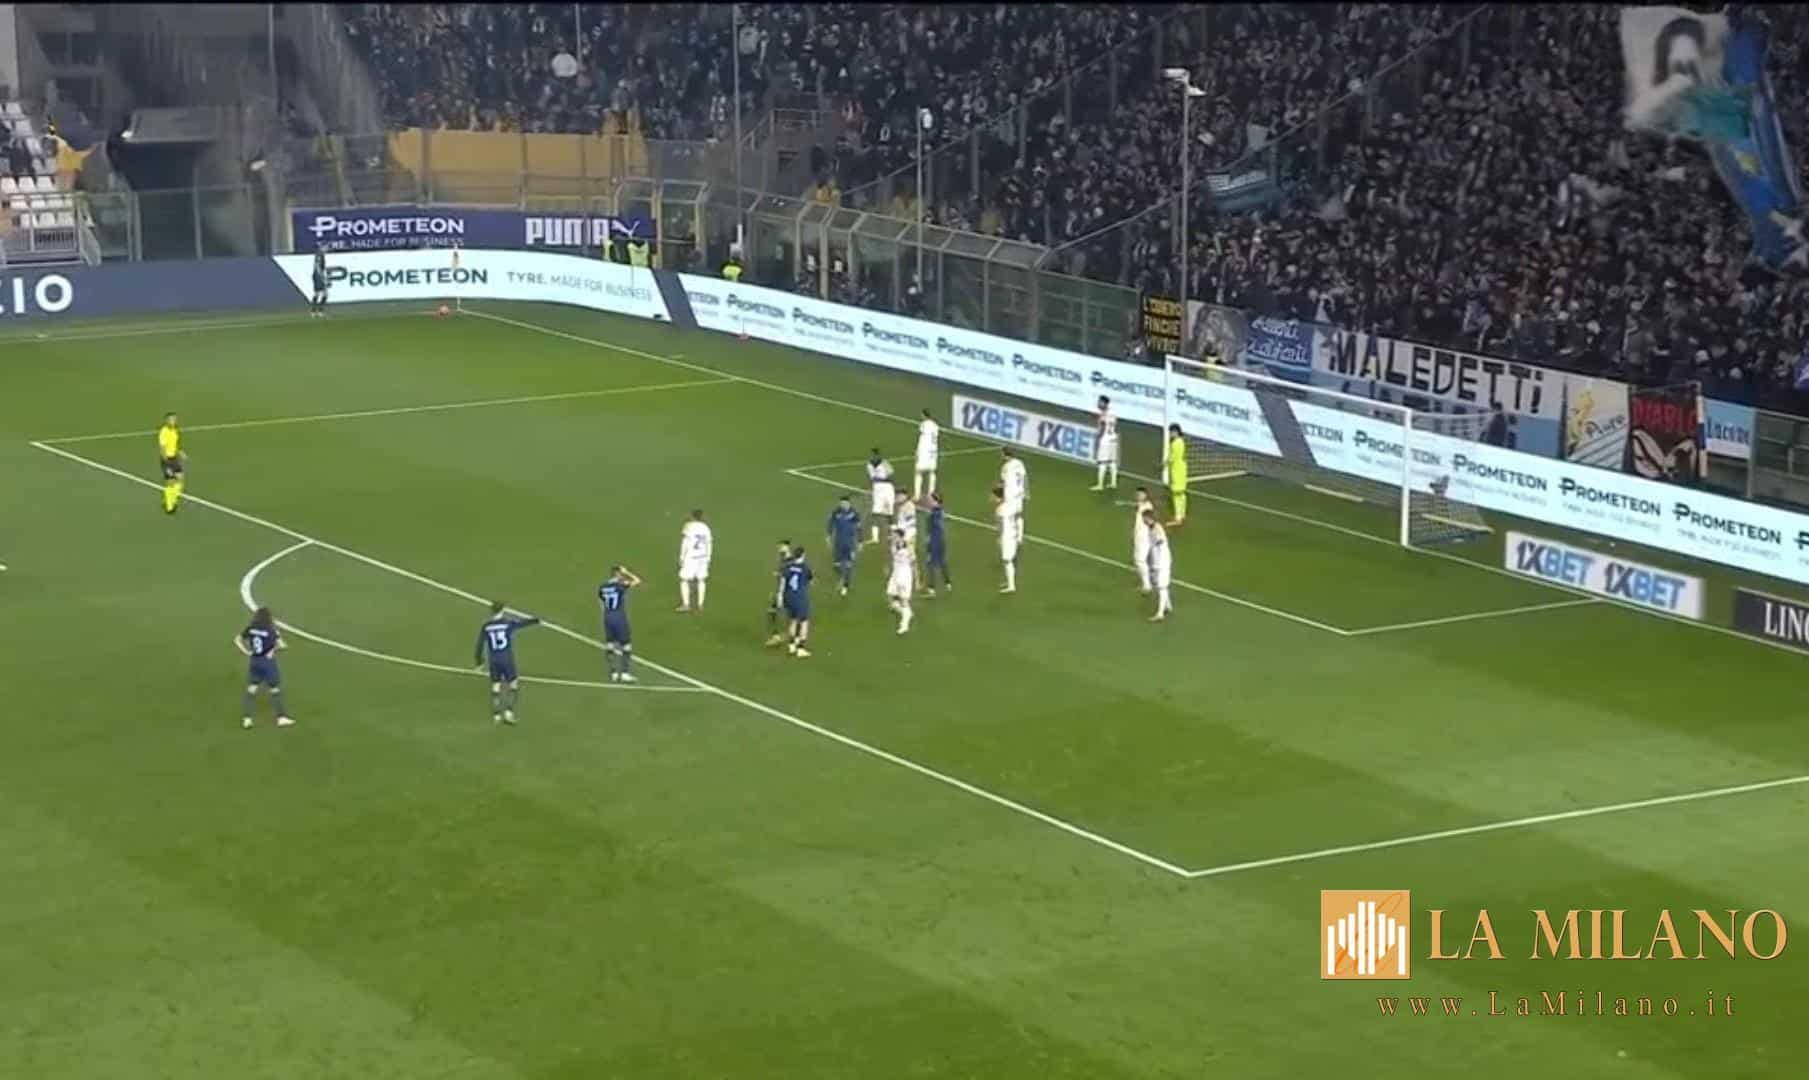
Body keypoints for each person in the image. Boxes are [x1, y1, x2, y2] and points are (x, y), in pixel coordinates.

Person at [473, 601, 541, 725]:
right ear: (503, 610)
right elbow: (521, 624)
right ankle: (509, 713)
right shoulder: (507, 624)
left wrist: (479, 662)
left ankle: (497, 715)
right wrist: (536, 620)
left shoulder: (486, 626)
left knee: (496, 685)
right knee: (513, 683)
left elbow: (479, 645)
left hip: (493, 660)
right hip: (506, 659)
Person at [236, 606, 292, 729]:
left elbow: (237, 639)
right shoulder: (271, 630)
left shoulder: (251, 628)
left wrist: (246, 651)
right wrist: (272, 650)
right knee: (274, 689)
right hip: (267, 662)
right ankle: (281, 718)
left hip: (254, 660)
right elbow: (282, 645)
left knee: (251, 689)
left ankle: (247, 719)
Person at [598, 565, 643, 682]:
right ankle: (624, 673)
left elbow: (601, 602)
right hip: (619, 617)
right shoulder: (620, 586)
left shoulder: (602, 587)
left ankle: (613, 673)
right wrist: (627, 572)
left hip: (607, 617)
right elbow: (637, 581)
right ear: (618, 575)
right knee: (626, 645)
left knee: (610, 645)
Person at [780, 545, 814, 658]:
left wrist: (780, 597)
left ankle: (791, 645)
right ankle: (801, 649)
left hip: (789, 597)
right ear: (803, 555)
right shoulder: (805, 568)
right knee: (804, 622)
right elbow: (811, 581)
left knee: (793, 620)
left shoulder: (788, 567)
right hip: (800, 598)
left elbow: (782, 583)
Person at [676, 508, 713, 613]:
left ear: (692, 516)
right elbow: (709, 544)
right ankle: (700, 604)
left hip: (691, 557)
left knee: (684, 580)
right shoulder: (706, 528)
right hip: (703, 556)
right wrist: (708, 557)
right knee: (701, 580)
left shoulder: (688, 526)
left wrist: (682, 557)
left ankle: (686, 604)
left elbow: (685, 543)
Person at [826, 495, 861, 596]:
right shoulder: (836, 512)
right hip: (838, 542)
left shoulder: (854, 514)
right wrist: (828, 536)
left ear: (849, 503)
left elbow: (859, 528)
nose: (843, 505)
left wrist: (860, 541)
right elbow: (831, 524)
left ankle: (845, 585)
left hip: (849, 543)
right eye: (841, 503)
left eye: (845, 503)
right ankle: (842, 577)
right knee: (836, 565)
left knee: (848, 565)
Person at [886, 527, 916, 634]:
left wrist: (917, 579)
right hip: (896, 573)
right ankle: (906, 612)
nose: (892, 536)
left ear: (900, 536)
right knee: (890, 595)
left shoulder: (908, 546)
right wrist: (888, 567)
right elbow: (892, 557)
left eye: (894, 535)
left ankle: (904, 624)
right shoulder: (893, 544)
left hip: (904, 574)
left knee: (904, 600)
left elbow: (913, 563)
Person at [1144, 510, 1173, 621]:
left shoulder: (1157, 528)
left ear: (1148, 518)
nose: (1143, 520)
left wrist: (1155, 542)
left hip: (1163, 560)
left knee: (1162, 586)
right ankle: (1168, 605)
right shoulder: (1151, 528)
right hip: (1157, 561)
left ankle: (1160, 614)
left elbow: (1160, 541)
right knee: (1158, 584)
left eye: (1144, 518)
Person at [764, 539, 793, 646]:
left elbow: (785, 577)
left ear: (787, 547)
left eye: (781, 547)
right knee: (772, 612)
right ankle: (779, 636)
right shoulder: (784, 559)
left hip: (786, 592)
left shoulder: (789, 561)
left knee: (777, 612)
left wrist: (779, 593)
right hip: (784, 590)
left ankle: (780, 637)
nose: (779, 549)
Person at [157, 412, 186, 515]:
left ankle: (170, 499)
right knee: (170, 482)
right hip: (167, 459)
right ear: (166, 421)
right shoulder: (163, 432)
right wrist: (166, 462)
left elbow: (175, 444)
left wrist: (180, 452)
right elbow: (162, 448)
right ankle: (169, 507)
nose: (173, 421)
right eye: (171, 419)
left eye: (174, 419)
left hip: (175, 458)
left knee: (180, 480)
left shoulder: (175, 430)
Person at [923, 492, 951, 596]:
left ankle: (931, 588)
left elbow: (930, 528)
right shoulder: (940, 511)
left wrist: (928, 540)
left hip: (934, 540)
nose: (928, 501)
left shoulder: (933, 514)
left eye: (930, 500)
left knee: (930, 563)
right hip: (941, 539)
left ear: (935, 501)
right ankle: (948, 583)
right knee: (942, 562)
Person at [993, 484, 1020, 594]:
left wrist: (999, 537)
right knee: (1009, 560)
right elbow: (1017, 518)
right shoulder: (1011, 506)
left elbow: (1000, 526)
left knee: (1007, 561)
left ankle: (1011, 586)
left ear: (998, 497)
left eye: (994, 496)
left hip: (1006, 536)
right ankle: (1010, 582)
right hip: (1013, 534)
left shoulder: (1000, 509)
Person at [866, 449, 896, 545]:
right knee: (875, 513)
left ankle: (894, 534)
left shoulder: (885, 463)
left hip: (887, 488)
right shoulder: (869, 465)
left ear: (878, 455)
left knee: (889, 512)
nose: (874, 457)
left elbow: (890, 475)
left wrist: (881, 479)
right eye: (872, 455)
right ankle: (875, 538)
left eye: (875, 455)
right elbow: (872, 478)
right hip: (877, 489)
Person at [1091, 395, 1121, 491]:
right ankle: (1113, 483)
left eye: (1100, 402)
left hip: (1105, 440)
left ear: (1104, 403)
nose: (1098, 404)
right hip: (1113, 438)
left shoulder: (1104, 415)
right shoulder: (1113, 412)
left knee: (1102, 462)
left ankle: (1100, 485)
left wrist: (1098, 435)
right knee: (1112, 462)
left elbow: (1102, 427)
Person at [999, 447, 1028, 544]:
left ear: (1005, 455)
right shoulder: (1020, 463)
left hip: (1010, 493)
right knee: (1019, 514)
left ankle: (1007, 536)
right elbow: (1024, 477)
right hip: (1019, 492)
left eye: (1002, 454)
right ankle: (1019, 537)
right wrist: (1026, 491)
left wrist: (998, 495)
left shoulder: (1006, 467)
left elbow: (1002, 482)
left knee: (1007, 515)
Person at [1130, 486, 1156, 594]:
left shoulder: (1147, 507)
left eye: (1140, 494)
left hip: (1144, 537)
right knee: (1139, 560)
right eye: (1137, 494)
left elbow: (1150, 521)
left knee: (1140, 560)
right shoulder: (1141, 505)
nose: (1138, 496)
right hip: (1138, 536)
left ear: (1145, 495)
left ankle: (1147, 585)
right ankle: (1148, 581)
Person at [1164, 424, 1189, 526]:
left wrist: (1163, 464)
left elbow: (1172, 458)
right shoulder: (1181, 442)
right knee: (1182, 494)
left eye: (1171, 432)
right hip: (1182, 469)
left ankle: (1178, 518)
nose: (1170, 434)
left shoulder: (1175, 443)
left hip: (1177, 470)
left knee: (1176, 494)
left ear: (1175, 432)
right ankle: (1182, 514)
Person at [913, 409, 940, 500]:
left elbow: (922, 437)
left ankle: (917, 495)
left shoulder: (924, 424)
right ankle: (931, 494)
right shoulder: (935, 425)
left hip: (924, 450)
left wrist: (917, 452)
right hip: (933, 451)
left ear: (924, 415)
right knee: (932, 472)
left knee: (918, 472)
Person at [310, 250, 330, 317]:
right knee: (319, 293)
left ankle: (317, 311)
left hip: (317, 276)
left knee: (324, 294)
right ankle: (315, 311)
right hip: (317, 276)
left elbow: (322, 268)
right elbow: (317, 267)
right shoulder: (319, 256)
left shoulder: (321, 256)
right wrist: (323, 278)